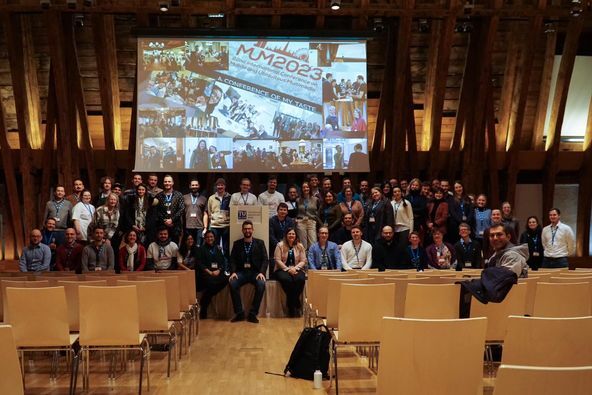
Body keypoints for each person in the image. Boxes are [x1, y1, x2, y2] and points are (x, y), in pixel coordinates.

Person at [229, 221, 268, 323]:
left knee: (261, 284)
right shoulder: (237, 244)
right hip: (241, 273)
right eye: (245, 229)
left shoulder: (260, 243)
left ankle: (252, 314)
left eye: (249, 228)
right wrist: (233, 272)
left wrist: (262, 273)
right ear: (242, 230)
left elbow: (265, 259)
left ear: (252, 230)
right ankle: (239, 313)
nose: (247, 230)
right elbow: (232, 259)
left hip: (255, 273)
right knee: (232, 283)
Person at [273, 228, 307, 317]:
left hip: (296, 269)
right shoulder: (280, 245)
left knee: (300, 279)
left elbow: (303, 260)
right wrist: (288, 269)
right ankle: (295, 304)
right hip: (282, 269)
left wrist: (295, 268)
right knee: (287, 280)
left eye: (293, 234)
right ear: (286, 235)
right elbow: (277, 260)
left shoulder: (300, 246)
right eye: (289, 234)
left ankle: (291, 303)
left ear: (296, 236)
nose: (291, 235)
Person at [196, 230, 229, 319]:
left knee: (228, 279)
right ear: (205, 238)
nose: (209, 238)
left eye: (211, 237)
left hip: (217, 272)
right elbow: (200, 263)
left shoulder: (218, 248)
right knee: (210, 283)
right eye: (207, 237)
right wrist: (210, 272)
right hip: (206, 273)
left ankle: (204, 300)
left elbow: (222, 261)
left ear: (214, 238)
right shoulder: (201, 249)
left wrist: (219, 270)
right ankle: (204, 307)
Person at [155, 174, 185, 244]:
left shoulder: (179, 195)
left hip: (175, 226)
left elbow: (181, 209)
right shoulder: (159, 196)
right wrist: (164, 221)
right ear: (163, 183)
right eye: (165, 182)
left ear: (173, 183)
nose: (167, 183)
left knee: (174, 246)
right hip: (162, 226)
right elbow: (157, 211)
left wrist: (172, 220)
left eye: (169, 181)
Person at [207, 178, 231, 254]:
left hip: (226, 226)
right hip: (215, 226)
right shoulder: (211, 198)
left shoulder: (230, 197)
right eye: (218, 185)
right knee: (214, 246)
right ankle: (216, 264)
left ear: (225, 186)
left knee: (226, 247)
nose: (220, 186)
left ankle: (226, 265)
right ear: (216, 186)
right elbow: (209, 212)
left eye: (222, 185)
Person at [295, 181, 320, 250]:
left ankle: (312, 260)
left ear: (310, 188)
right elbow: (296, 212)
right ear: (301, 189)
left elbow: (318, 211)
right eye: (304, 187)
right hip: (301, 222)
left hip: (311, 221)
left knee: (313, 242)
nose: (306, 189)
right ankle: (304, 260)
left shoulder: (315, 199)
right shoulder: (298, 200)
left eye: (307, 187)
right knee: (302, 244)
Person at [184, 179, 208, 247]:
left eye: (196, 185)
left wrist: (205, 228)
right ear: (190, 186)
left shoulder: (204, 199)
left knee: (198, 246)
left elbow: (205, 214)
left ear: (199, 186)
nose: (194, 186)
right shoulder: (184, 197)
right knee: (188, 246)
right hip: (188, 227)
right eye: (193, 185)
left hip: (199, 227)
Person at [391, 186, 414, 251]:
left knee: (403, 248)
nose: (397, 193)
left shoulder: (406, 203)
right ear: (393, 193)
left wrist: (411, 231)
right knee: (395, 249)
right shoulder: (391, 203)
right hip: (394, 229)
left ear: (401, 193)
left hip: (405, 228)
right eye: (395, 192)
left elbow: (411, 217)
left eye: (398, 191)